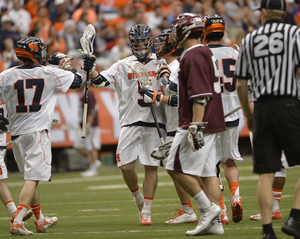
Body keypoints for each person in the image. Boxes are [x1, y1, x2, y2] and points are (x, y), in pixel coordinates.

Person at [81, 24, 167, 226]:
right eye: (135, 43)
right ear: (130, 44)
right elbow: (101, 82)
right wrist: (91, 70)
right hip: (129, 120)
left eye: (143, 42)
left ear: (149, 42)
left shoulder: (160, 62)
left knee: (151, 166)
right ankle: (138, 197)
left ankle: (146, 210)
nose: (139, 46)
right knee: (126, 167)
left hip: (154, 121)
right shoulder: (122, 64)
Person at [0, 37, 83, 235]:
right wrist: (67, 67)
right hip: (37, 132)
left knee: (30, 177)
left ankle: (40, 220)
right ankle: (18, 220)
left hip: (17, 134)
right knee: (33, 178)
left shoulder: (5, 75)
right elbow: (78, 82)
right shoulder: (49, 73)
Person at [235, 0, 300, 238]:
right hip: (289, 103)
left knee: (266, 172)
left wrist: (249, 114)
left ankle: (266, 231)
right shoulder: (295, 33)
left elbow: (241, 83)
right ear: (285, 12)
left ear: (263, 12)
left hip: (261, 107)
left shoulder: (249, 39)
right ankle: (295, 217)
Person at [164, 13, 225, 236]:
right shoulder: (204, 51)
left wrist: (195, 125)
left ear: (185, 31)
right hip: (212, 120)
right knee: (209, 172)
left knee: (173, 166)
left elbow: (200, 95)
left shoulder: (193, 54)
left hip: (198, 120)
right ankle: (215, 224)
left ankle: (207, 208)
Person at [145, 28, 197, 225]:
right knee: (176, 168)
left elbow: (180, 99)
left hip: (182, 124)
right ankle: (189, 209)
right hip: (174, 124)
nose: (158, 47)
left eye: (162, 43)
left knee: (183, 169)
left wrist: (156, 97)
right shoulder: (169, 66)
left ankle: (209, 207)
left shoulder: (177, 67)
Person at [203, 14, 244, 225]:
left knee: (211, 166)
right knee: (229, 160)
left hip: (210, 115)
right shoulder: (235, 52)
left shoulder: (200, 54)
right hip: (233, 112)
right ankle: (235, 195)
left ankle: (221, 210)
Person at [0, 101, 33, 221]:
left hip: (1, 143)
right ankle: (15, 213)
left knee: (1, 180)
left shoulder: (6, 87)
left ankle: (15, 213)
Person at [74, 83, 102, 177]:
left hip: (90, 125)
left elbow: (92, 111)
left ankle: (93, 169)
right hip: (83, 125)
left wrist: (88, 125)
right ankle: (94, 160)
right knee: (78, 145)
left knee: (91, 146)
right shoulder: (83, 94)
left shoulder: (88, 94)